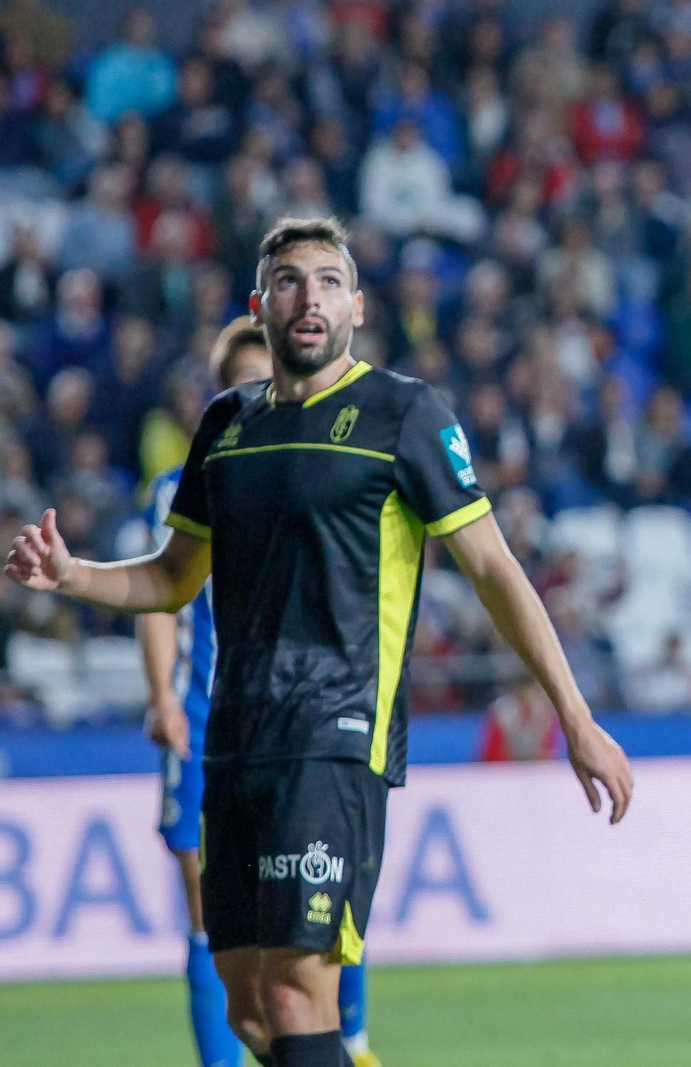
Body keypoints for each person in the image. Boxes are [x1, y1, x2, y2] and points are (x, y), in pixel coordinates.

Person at [6, 217, 633, 1067]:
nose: (312, 297)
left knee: (302, 988)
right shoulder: (227, 423)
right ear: (259, 307)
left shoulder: (403, 414)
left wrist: (576, 715)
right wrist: (72, 574)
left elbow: (494, 569)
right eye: (292, 281)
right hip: (236, 739)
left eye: (330, 281)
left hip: (336, 737)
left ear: (359, 308)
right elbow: (172, 576)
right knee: (251, 1007)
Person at [138, 316, 384, 1067]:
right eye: (247, 378)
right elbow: (160, 593)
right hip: (211, 713)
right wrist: (163, 696)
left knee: (318, 903)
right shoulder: (186, 484)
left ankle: (354, 1042)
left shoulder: (323, 466)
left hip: (309, 714)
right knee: (212, 916)